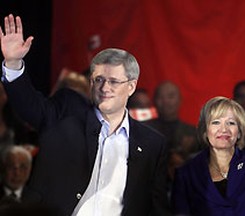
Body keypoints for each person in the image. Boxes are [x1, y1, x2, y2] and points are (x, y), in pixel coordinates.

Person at [0, 14, 172, 216]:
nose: (105, 87)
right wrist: (12, 63)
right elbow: (30, 107)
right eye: (98, 79)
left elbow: (156, 206)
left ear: (131, 86)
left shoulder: (152, 143)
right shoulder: (67, 111)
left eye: (114, 81)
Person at [171, 59, 245, 215]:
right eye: (216, 122)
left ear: (239, 132)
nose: (224, 129)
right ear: (205, 130)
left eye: (231, 123)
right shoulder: (187, 173)